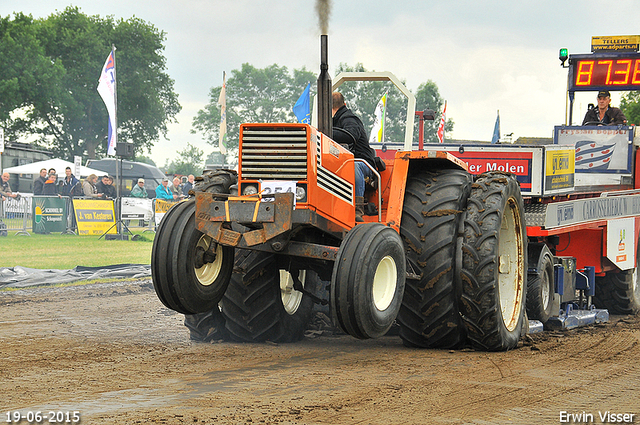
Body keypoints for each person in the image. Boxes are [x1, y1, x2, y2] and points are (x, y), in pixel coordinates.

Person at [331, 91, 377, 221]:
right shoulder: (332, 122)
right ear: (344, 103)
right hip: (341, 162)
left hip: (364, 163)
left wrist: (327, 132)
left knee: (353, 165)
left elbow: (351, 135)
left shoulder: (349, 119)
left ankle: (357, 209)